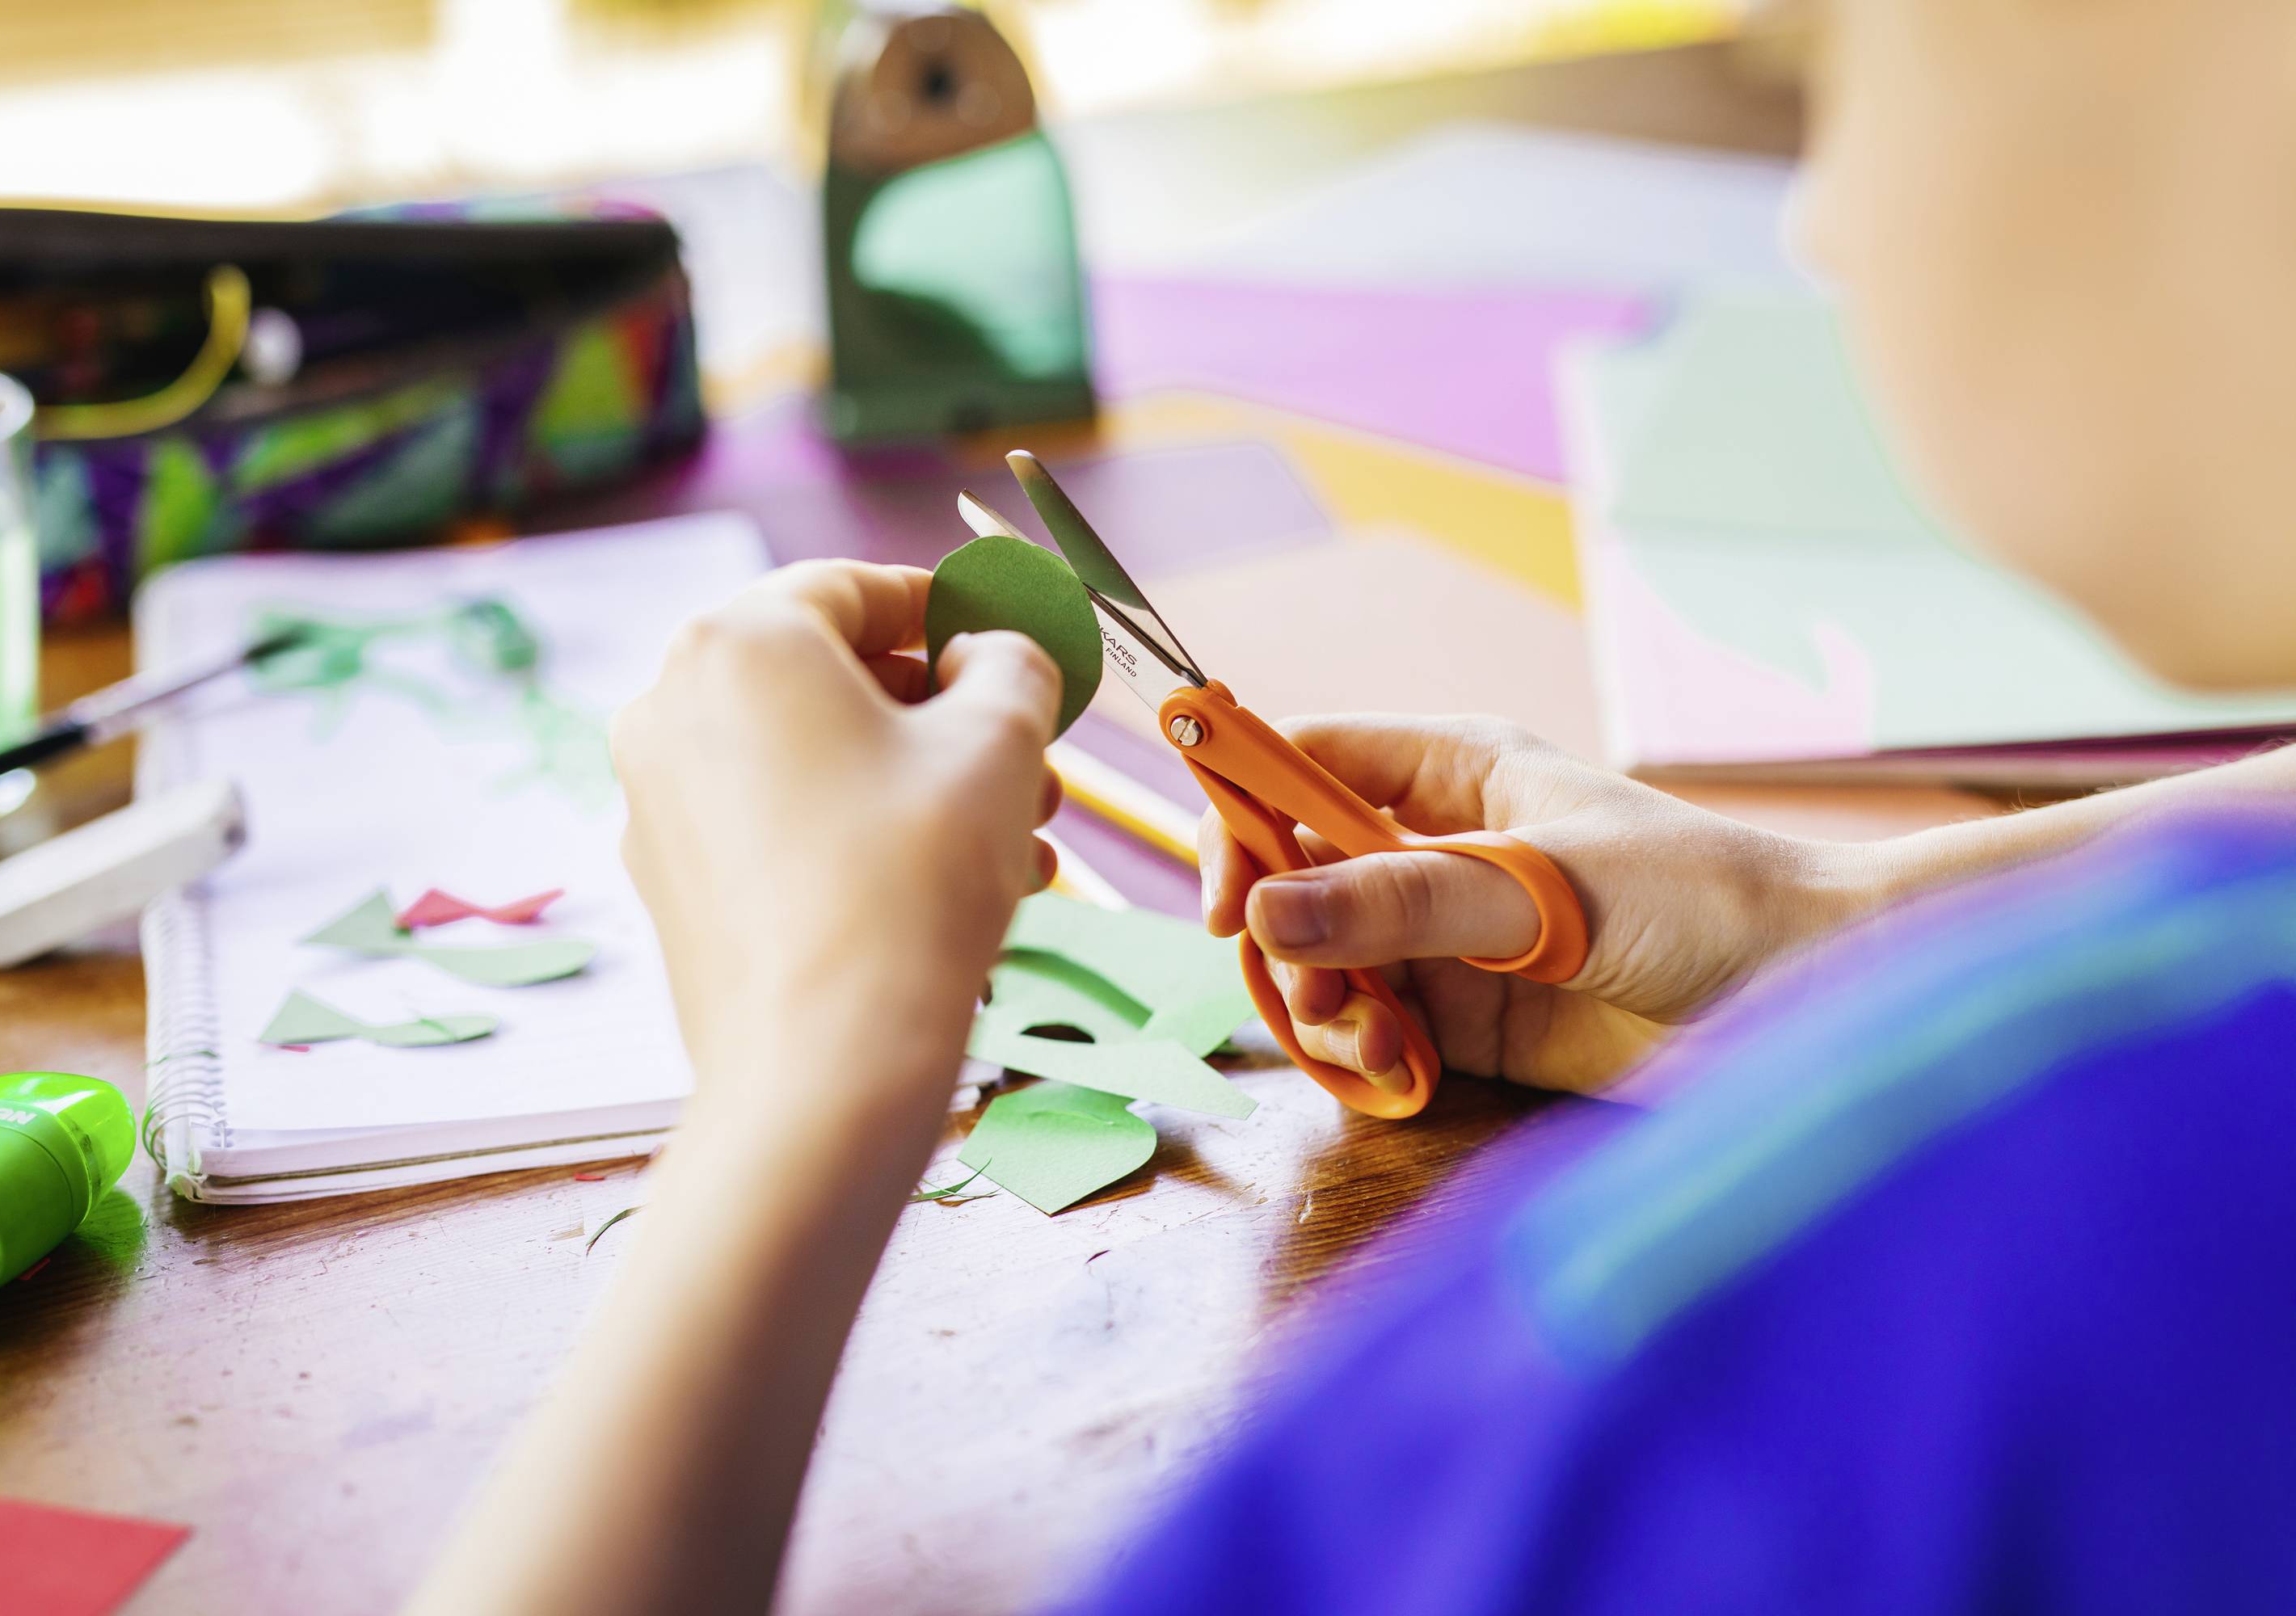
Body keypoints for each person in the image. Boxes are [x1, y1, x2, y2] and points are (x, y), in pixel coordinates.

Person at [405, 2, 2296, 1611]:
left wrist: (810, 1069)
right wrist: (1832, 924)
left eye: (1831, 51)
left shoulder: (1820, 1320)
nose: (1819, 216)